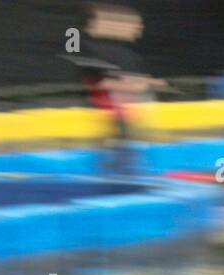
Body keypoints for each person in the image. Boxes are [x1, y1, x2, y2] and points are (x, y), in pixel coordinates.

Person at [69, 3, 164, 175]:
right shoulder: (90, 49)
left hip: (123, 106)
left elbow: (117, 79)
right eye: (132, 24)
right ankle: (116, 172)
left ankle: (123, 170)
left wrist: (142, 84)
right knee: (118, 140)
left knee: (125, 141)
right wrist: (131, 85)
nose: (137, 29)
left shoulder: (126, 54)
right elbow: (97, 81)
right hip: (111, 106)